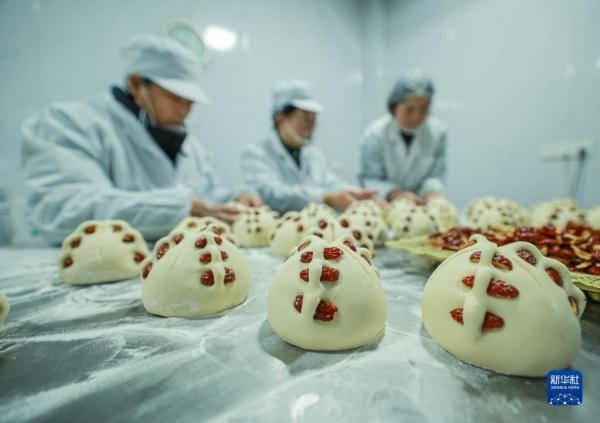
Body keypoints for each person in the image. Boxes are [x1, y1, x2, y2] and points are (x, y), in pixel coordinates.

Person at [21, 34, 261, 244]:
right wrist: (177, 208)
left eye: (190, 102)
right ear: (136, 84)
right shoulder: (71, 123)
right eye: (174, 98)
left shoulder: (190, 145)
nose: (184, 111)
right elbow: (60, 207)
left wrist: (233, 198)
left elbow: (205, 196)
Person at [241, 80, 376, 214]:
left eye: (314, 119)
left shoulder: (313, 154)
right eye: (305, 118)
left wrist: (358, 194)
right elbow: (273, 194)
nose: (311, 126)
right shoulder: (256, 153)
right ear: (280, 117)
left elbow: (331, 182)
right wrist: (326, 197)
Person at [359, 73, 447, 205]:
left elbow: (436, 175)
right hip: (385, 204)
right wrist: (394, 195)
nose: (416, 116)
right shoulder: (375, 135)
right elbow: (371, 179)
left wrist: (432, 193)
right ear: (394, 107)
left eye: (424, 109)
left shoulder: (438, 132)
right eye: (409, 110)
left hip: (422, 203)